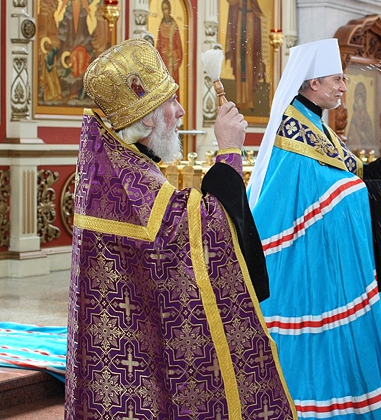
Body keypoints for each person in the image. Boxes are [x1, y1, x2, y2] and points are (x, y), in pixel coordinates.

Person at [67, 39, 296, 419]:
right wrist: (229, 150)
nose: (181, 111)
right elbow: (204, 231)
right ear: (147, 118)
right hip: (132, 346)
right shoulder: (127, 178)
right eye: (171, 102)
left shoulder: (115, 165)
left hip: (129, 344)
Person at [247, 38, 381, 419]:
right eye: (337, 79)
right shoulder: (294, 129)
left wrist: (378, 168)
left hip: (318, 255)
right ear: (313, 83)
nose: (343, 87)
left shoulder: (311, 121)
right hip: (300, 265)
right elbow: (325, 196)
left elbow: (339, 174)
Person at [223, 0, 265, 109]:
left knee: (249, 62)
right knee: (239, 61)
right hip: (240, 26)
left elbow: (256, 7)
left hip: (250, 26)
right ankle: (240, 100)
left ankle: (249, 99)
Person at [156, 0, 183, 84]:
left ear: (170, 9)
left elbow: (179, 48)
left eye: (166, 9)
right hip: (163, 61)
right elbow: (158, 45)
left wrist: (172, 53)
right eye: (163, 9)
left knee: (172, 84)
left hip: (172, 62)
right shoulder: (161, 25)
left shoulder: (174, 26)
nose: (165, 11)